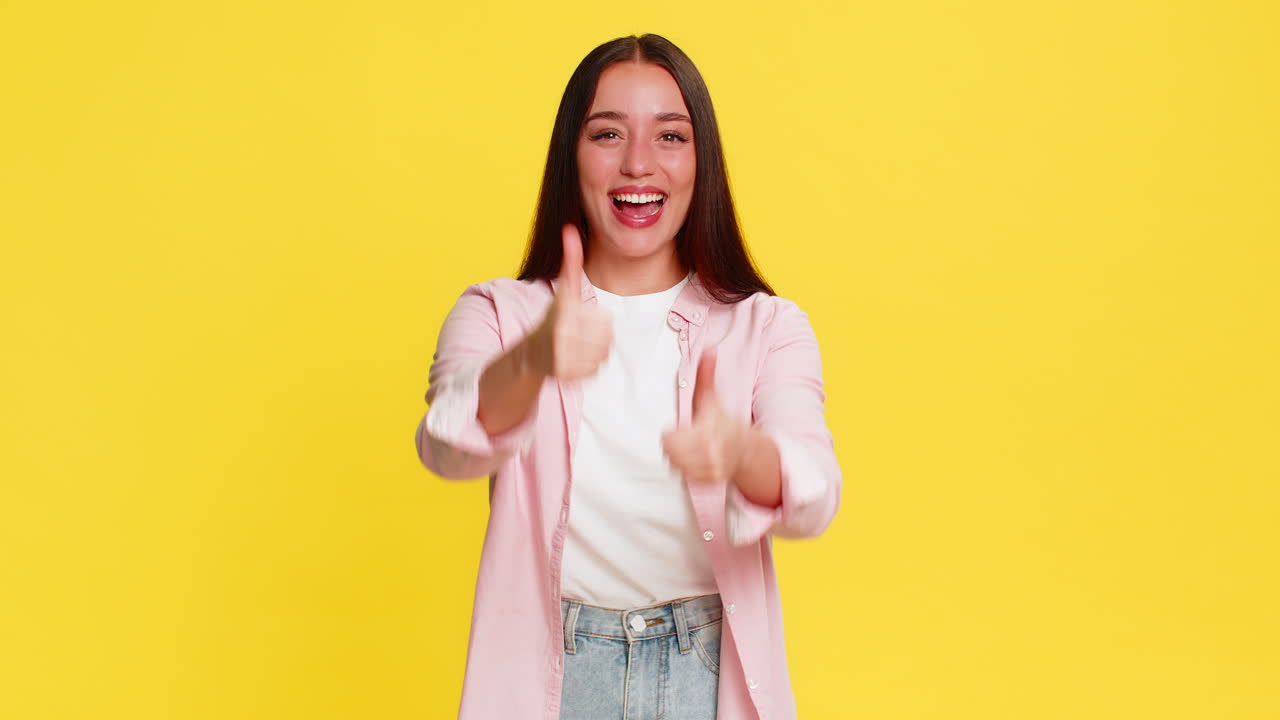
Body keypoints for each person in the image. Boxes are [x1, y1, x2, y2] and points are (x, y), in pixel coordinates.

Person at [415, 33, 841, 720]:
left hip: (705, 673)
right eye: (608, 133)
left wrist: (740, 452)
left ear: (701, 161)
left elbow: (814, 490)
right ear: (571, 154)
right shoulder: (498, 314)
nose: (638, 162)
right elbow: (446, 445)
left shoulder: (767, 326)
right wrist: (534, 357)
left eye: (670, 136)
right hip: (554, 676)